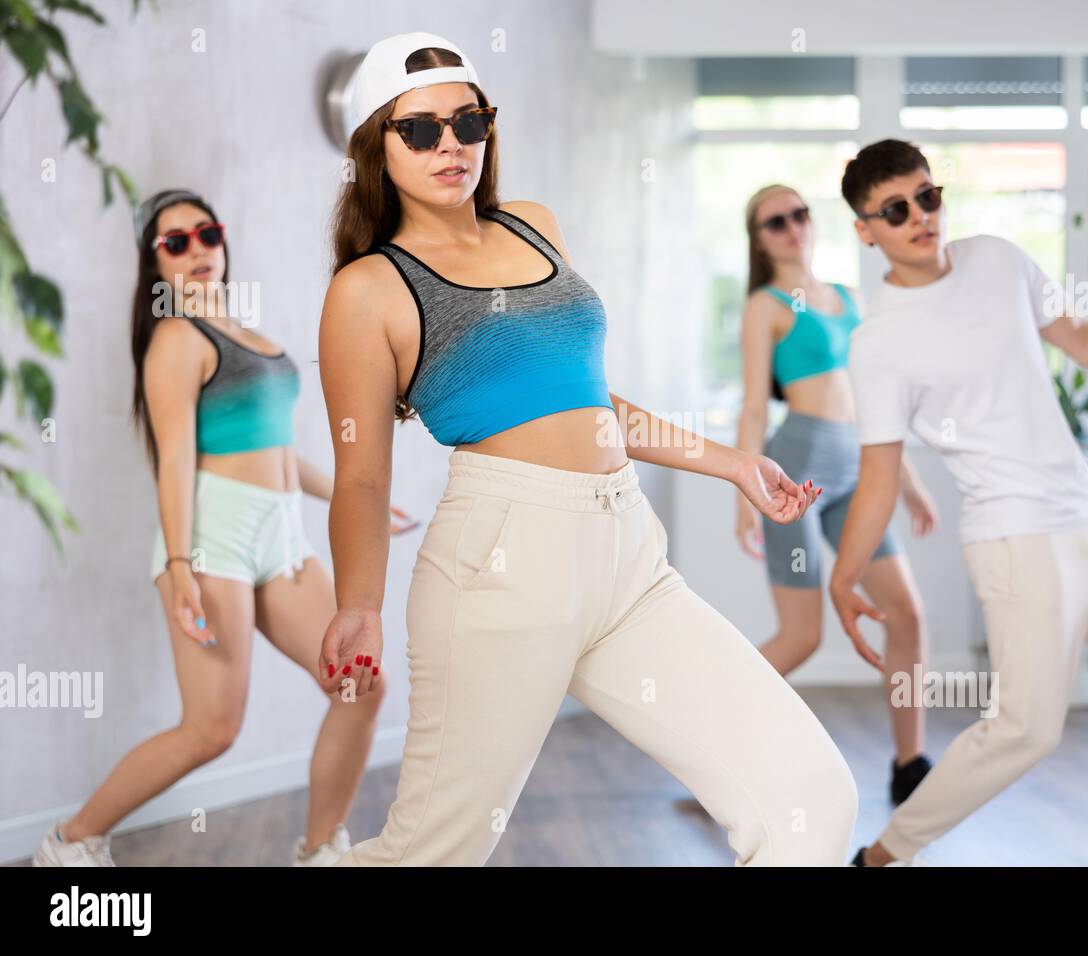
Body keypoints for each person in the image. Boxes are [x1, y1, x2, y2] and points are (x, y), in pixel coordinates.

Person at [317, 31, 860, 867]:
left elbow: (589, 404)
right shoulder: (368, 290)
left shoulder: (533, 226)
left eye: (468, 121)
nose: (450, 144)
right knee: (430, 855)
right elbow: (358, 476)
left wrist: (732, 463)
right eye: (418, 129)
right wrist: (357, 606)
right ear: (374, 148)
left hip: (627, 555)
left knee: (809, 800)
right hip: (497, 567)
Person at [829, 139, 1088, 868]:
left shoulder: (997, 258)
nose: (921, 216)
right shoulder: (880, 344)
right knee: (1026, 728)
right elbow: (879, 474)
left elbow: (1078, 336)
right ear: (866, 230)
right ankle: (883, 857)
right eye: (896, 210)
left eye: (928, 195)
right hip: (1016, 540)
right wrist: (844, 574)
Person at [33, 189, 411, 867]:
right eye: (174, 242)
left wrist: (357, 501)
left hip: (283, 537)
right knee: (212, 729)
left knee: (361, 685)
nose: (197, 249)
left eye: (205, 233)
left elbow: (276, 452)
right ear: (155, 267)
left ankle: (320, 849)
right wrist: (180, 565)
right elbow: (176, 459)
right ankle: (70, 840)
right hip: (215, 541)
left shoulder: (250, 334)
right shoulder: (176, 339)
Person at [735, 183, 937, 804]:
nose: (792, 227)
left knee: (906, 614)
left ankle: (910, 765)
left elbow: (878, 400)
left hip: (862, 473)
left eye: (799, 214)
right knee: (803, 637)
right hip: (795, 472)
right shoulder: (765, 306)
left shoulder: (850, 298)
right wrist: (743, 491)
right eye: (776, 221)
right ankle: (708, 742)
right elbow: (750, 407)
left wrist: (909, 483)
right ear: (759, 238)